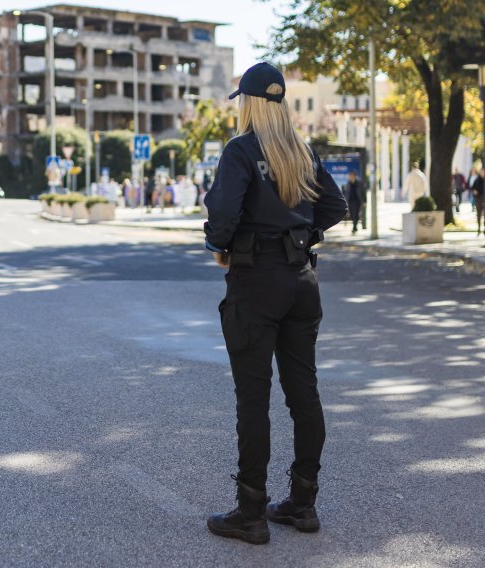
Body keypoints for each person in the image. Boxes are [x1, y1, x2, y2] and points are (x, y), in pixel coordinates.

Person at [203, 62, 347, 545]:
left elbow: (222, 213)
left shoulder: (241, 150)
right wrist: (301, 236)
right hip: (302, 280)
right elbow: (335, 207)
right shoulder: (300, 150)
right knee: (303, 393)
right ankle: (303, 505)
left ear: (247, 103)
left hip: (256, 281)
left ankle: (251, 512)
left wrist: (220, 244)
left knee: (254, 399)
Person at [472, 167, 485, 236]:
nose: (483, 173)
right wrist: (474, 191)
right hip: (479, 200)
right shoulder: (477, 180)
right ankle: (479, 229)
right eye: (482, 172)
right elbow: (473, 188)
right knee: (479, 215)